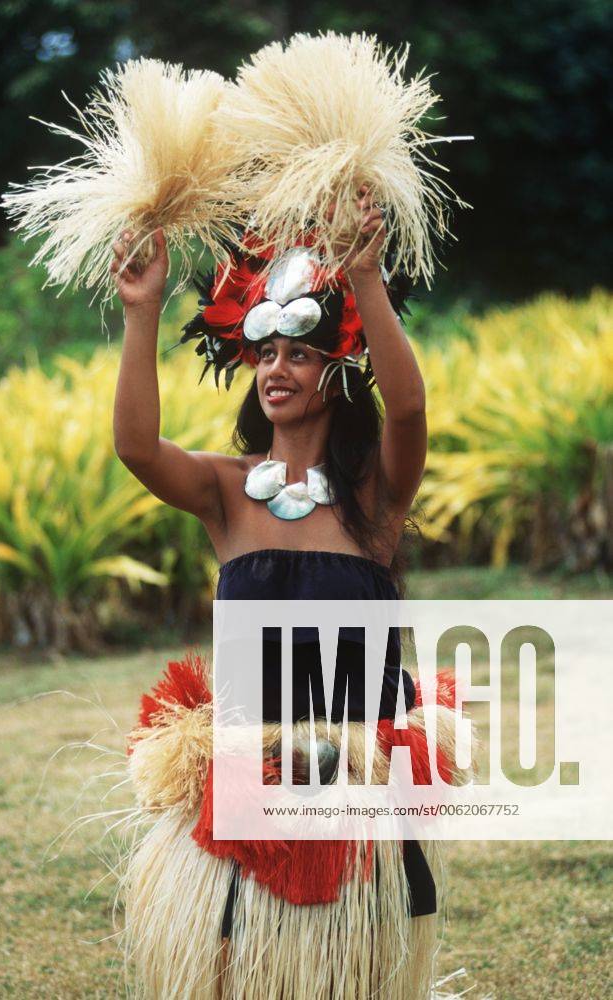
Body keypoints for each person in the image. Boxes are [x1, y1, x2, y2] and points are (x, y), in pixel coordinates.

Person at [110, 190, 465, 999]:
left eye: (297, 354)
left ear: (334, 370)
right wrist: (141, 312)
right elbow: (135, 447)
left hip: (353, 797)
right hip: (249, 791)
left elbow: (406, 407)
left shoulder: (372, 501)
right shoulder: (225, 492)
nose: (276, 368)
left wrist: (367, 279)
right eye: (264, 354)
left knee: (346, 980)